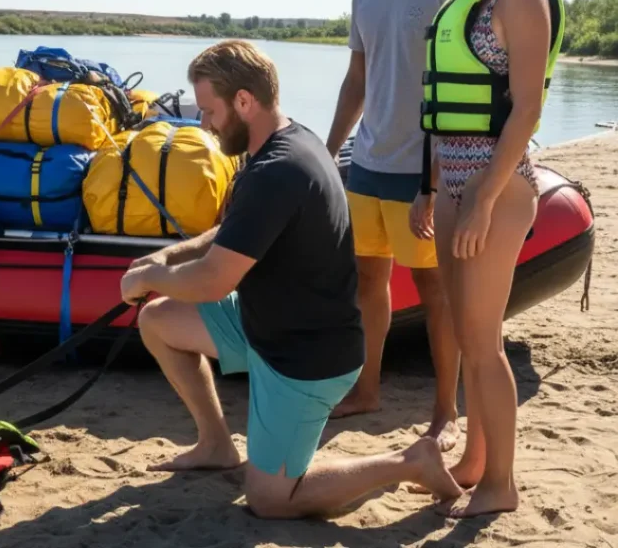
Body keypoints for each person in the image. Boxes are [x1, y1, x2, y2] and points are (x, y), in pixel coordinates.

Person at [119, 39, 462, 519]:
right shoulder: (285, 140)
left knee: (271, 499)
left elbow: (215, 280)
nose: (203, 122)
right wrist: (166, 258)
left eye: (210, 111)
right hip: (266, 323)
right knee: (159, 320)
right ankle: (217, 444)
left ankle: (409, 461)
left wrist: (155, 275)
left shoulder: (278, 170)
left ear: (244, 102)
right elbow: (235, 230)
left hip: (304, 356)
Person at [411, 0, 564, 518]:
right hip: (454, 186)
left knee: (483, 339)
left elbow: (525, 111)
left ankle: (501, 482)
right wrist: (431, 188)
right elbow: (443, 109)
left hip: (496, 189)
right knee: (462, 326)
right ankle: (475, 461)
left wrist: (480, 196)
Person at [325, 0, 473, 449]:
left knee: (435, 290)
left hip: (423, 173)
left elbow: (463, 98)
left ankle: (446, 410)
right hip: (367, 164)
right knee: (368, 279)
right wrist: (325, 151)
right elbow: (356, 82)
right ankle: (368, 388)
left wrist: (433, 182)